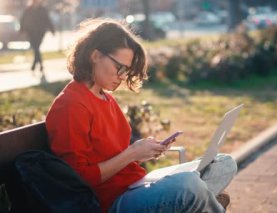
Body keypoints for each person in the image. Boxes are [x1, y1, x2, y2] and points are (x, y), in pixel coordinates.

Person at [45, 19, 237, 213]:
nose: (122, 76)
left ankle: (201, 202)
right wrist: (132, 153)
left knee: (223, 164)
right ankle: (205, 202)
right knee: (189, 184)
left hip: (135, 185)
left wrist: (144, 151)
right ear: (95, 55)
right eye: (120, 67)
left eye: (127, 70)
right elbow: (78, 179)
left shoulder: (105, 98)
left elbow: (113, 154)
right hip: (110, 201)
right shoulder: (71, 105)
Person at [20, 0, 55, 73]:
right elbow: (23, 20)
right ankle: (39, 65)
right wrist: (22, 29)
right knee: (36, 48)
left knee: (36, 48)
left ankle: (35, 65)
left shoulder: (42, 9)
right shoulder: (28, 9)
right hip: (31, 32)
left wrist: (52, 30)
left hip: (40, 32)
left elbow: (47, 19)